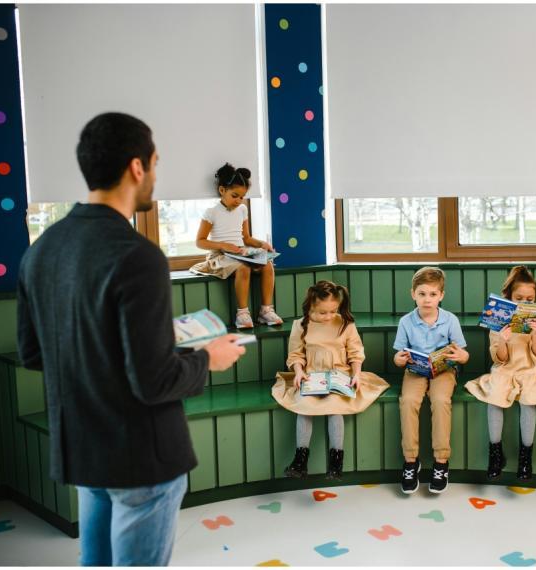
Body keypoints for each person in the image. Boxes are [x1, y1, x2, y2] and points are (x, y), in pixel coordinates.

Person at [16, 112, 245, 566]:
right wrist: (208, 358)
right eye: (156, 164)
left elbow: (36, 352)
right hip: (140, 456)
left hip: (83, 447)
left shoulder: (41, 251)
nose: (156, 176)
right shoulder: (139, 256)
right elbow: (153, 380)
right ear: (137, 167)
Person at [465, 266, 536, 480]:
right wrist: (502, 339)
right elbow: (499, 359)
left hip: (530, 368)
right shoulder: (498, 318)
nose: (524, 303)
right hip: (505, 369)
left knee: (529, 400)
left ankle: (526, 457)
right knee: (495, 397)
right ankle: (495, 453)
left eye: (530, 298)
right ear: (508, 297)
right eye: (519, 298)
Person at [271, 280, 389, 479]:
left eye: (333, 311)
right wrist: (298, 372)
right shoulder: (301, 325)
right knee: (304, 406)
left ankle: (336, 463)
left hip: (340, 375)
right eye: (322, 312)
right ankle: (300, 460)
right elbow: (295, 354)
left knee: (335, 408)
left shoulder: (345, 324)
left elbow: (355, 353)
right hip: (311, 376)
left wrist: (357, 374)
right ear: (310, 306)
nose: (328, 317)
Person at [393, 267, 469, 494]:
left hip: (443, 370)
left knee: (440, 400)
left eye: (433, 294)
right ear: (413, 294)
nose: (427, 299)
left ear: (441, 296)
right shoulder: (406, 322)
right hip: (415, 370)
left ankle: (441, 462)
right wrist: (399, 359)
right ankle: (410, 460)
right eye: (422, 294)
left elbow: (464, 354)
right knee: (407, 401)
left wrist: (460, 357)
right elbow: (398, 357)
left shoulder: (450, 320)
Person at [189, 163, 283, 329]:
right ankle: (242, 313)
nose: (239, 200)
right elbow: (200, 241)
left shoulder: (242, 210)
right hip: (220, 255)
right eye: (235, 195)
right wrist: (223, 245)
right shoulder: (212, 212)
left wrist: (262, 244)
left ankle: (266, 310)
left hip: (240, 252)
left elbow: (246, 238)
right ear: (222, 191)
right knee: (243, 268)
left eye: (242, 197)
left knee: (267, 265)